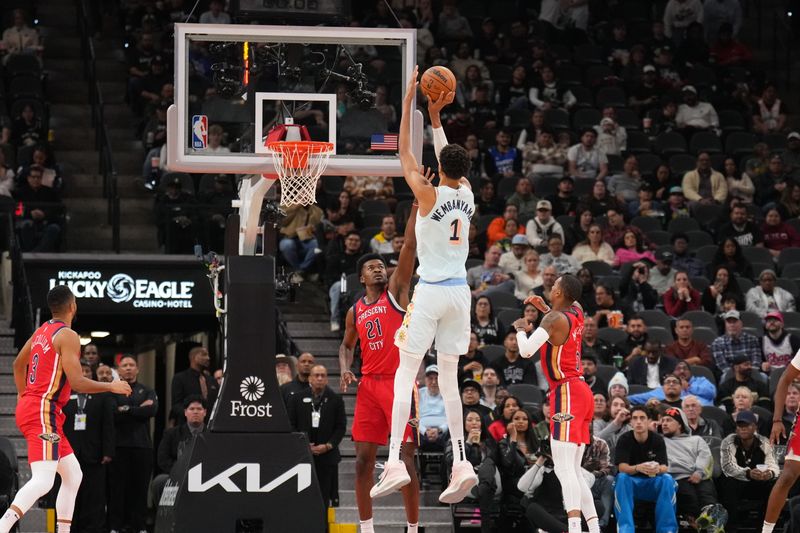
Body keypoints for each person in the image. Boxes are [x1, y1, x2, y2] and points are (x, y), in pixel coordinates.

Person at [374, 68, 477, 505]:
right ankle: (461, 463)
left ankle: (395, 459)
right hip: (461, 292)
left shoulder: (426, 195)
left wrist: (407, 107)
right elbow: (447, 158)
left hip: (432, 291)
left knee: (405, 373)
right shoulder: (468, 194)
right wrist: (435, 118)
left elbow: (403, 154)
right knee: (450, 379)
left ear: (439, 170)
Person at [2, 285, 130, 533]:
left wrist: (22, 394)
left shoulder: (42, 331)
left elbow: (19, 364)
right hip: (43, 410)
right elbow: (78, 382)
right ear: (73, 306)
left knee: (73, 475)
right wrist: (111, 386)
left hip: (40, 408)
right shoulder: (67, 335)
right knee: (44, 480)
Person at [338, 200, 420, 533]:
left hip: (400, 383)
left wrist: (415, 206)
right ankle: (367, 528)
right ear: (361, 277)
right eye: (371, 267)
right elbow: (346, 345)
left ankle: (413, 528)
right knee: (361, 463)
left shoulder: (397, 293)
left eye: (380, 266)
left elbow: (410, 247)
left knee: (406, 461)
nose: (378, 269)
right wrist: (345, 366)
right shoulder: (355, 310)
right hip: (369, 386)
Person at [514, 274, 602, 533]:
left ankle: (574, 528)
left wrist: (521, 329)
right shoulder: (577, 311)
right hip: (582, 391)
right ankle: (593, 529)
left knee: (565, 470)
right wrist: (544, 308)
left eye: (554, 287)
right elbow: (559, 315)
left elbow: (527, 351)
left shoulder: (552, 319)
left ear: (560, 294)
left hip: (566, 392)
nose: (550, 289)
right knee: (573, 469)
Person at [61, 358, 115, 533]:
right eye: (80, 371)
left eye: (87, 371)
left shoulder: (102, 395)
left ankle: (93, 528)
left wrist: (108, 451)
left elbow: (108, 425)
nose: (84, 374)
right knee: (70, 494)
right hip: (68, 454)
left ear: (91, 375)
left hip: (94, 454)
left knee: (94, 496)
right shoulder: (62, 395)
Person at [108, 355, 157, 533]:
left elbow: (151, 410)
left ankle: (140, 526)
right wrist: (138, 409)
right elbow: (113, 414)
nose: (128, 368)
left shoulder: (147, 390)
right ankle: (115, 526)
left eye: (132, 365)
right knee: (117, 489)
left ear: (137, 369)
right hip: (119, 447)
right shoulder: (113, 391)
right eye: (125, 365)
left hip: (142, 447)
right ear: (119, 370)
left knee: (140, 489)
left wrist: (127, 409)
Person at [287, 365, 346, 507]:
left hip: (327, 456)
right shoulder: (297, 399)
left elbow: (340, 427)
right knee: (301, 498)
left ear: (327, 379)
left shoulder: (336, 400)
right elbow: (291, 424)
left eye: (323, 375)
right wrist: (304, 445)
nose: (320, 378)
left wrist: (328, 446)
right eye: (316, 375)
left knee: (323, 499)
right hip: (302, 455)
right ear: (310, 378)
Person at [614, 405, 677, 533]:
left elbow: (664, 467)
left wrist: (656, 469)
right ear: (630, 422)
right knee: (621, 478)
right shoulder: (624, 439)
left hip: (651, 483)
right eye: (635, 418)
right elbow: (621, 467)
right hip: (631, 484)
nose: (638, 421)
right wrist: (639, 468)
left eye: (642, 418)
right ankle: (626, 530)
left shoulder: (657, 439)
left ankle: (667, 530)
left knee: (667, 479)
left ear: (649, 421)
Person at [659, 407, 722, 529]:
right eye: (663, 421)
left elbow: (705, 456)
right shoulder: (660, 441)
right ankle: (699, 524)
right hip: (677, 479)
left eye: (669, 420)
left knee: (707, 495)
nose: (664, 424)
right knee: (690, 498)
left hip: (699, 476)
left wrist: (699, 472)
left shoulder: (696, 440)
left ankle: (711, 521)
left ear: (680, 424)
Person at [719, 410, 778, 532]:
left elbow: (773, 464)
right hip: (738, 483)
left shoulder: (764, 441)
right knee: (728, 481)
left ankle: (764, 527)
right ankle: (731, 527)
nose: (743, 428)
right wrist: (748, 473)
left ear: (755, 427)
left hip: (758, 483)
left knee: (772, 484)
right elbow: (728, 466)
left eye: (747, 425)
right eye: (740, 426)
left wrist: (769, 473)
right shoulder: (728, 441)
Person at [448, 410, 500, 533]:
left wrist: (483, 448)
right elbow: (450, 459)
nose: (474, 423)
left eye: (477, 420)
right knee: (486, 485)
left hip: (488, 478)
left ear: (482, 423)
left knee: (488, 464)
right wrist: (468, 443)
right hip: (467, 481)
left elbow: (498, 461)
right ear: (464, 423)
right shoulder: (455, 442)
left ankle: (482, 489)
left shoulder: (490, 442)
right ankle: (486, 526)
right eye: (470, 420)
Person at [151, 396, 207, 507]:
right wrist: (179, 471)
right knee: (159, 482)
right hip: (178, 474)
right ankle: (165, 518)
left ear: (205, 412)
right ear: (185, 412)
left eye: (199, 409)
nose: (195, 412)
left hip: (206, 475)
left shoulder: (212, 434)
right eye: (192, 409)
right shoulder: (171, 434)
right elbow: (163, 459)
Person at [169, 346, 217, 424]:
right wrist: (193, 415)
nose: (208, 358)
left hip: (209, 427)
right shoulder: (180, 378)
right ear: (194, 357)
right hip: (188, 427)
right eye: (204, 355)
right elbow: (176, 405)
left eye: (208, 355)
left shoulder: (212, 380)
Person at [711, 311, 763, 375]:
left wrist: (748, 373)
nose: (732, 325)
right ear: (725, 324)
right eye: (729, 322)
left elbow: (756, 362)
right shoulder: (717, 343)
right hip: (729, 376)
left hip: (750, 373)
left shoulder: (752, 340)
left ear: (741, 324)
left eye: (735, 322)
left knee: (763, 377)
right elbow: (723, 366)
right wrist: (738, 376)